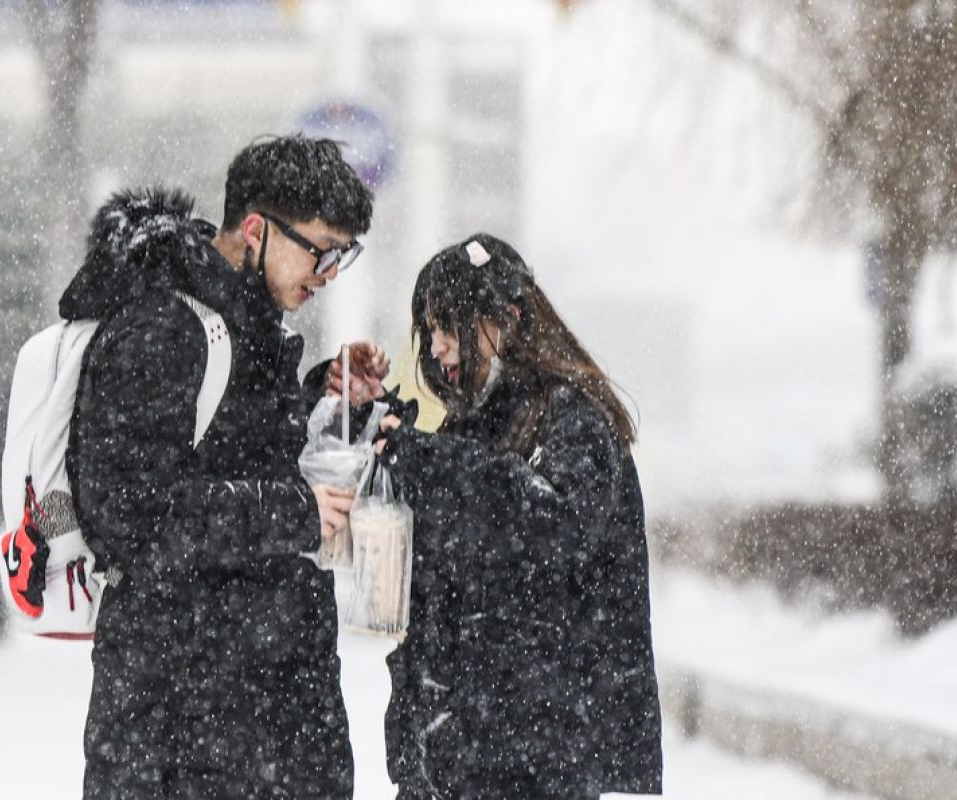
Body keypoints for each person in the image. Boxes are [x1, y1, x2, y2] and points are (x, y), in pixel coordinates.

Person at [60, 135, 381, 799]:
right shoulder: (162, 327)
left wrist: (323, 393)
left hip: (256, 718)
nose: (327, 271)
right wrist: (294, 513)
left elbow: (227, 448)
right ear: (257, 229)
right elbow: (131, 516)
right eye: (320, 249)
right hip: (181, 728)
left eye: (342, 255)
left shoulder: (244, 324)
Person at [375, 234, 663, 799]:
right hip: (460, 758)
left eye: (449, 326)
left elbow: (549, 527)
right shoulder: (473, 427)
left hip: (534, 760)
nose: (439, 349)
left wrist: (430, 464)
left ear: (503, 319)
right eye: (430, 331)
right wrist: (368, 418)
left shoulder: (574, 420)